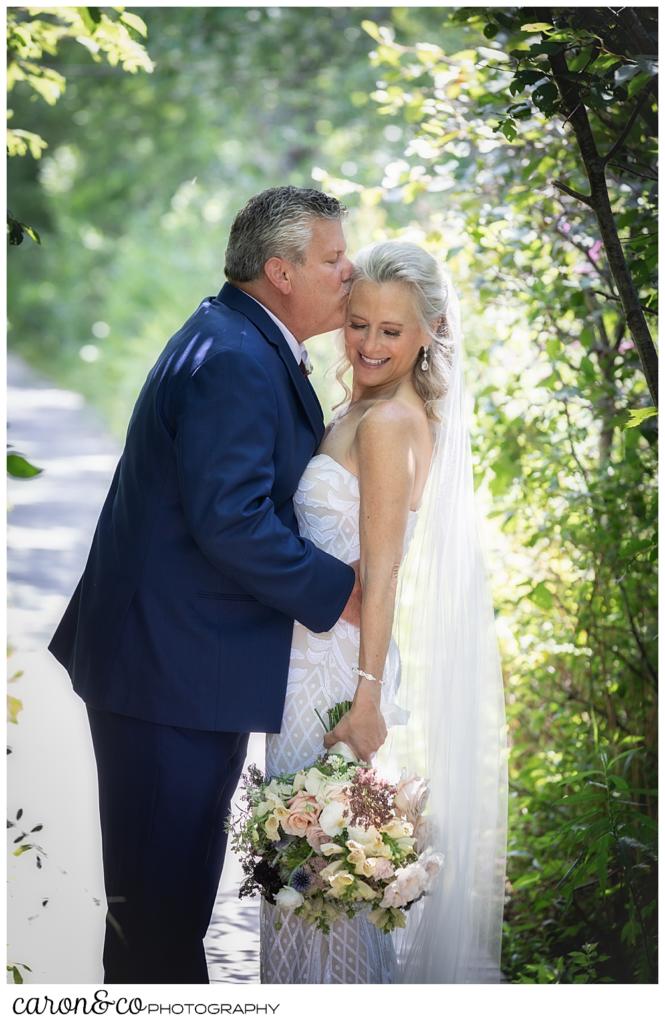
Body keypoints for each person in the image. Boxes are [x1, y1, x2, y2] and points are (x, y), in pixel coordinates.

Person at [48, 185, 386, 984]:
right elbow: (230, 520)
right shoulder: (233, 358)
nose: (349, 272)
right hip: (166, 672)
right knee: (158, 910)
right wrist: (338, 590)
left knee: (164, 906)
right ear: (279, 271)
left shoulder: (239, 338)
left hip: (179, 662)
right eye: (332, 259)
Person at [260, 240, 508, 983]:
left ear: (429, 330)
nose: (367, 344)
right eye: (357, 323)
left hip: (334, 673)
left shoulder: (392, 423)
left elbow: (383, 572)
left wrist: (367, 699)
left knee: (318, 874)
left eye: (390, 332)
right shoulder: (363, 404)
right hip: (309, 660)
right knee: (300, 875)